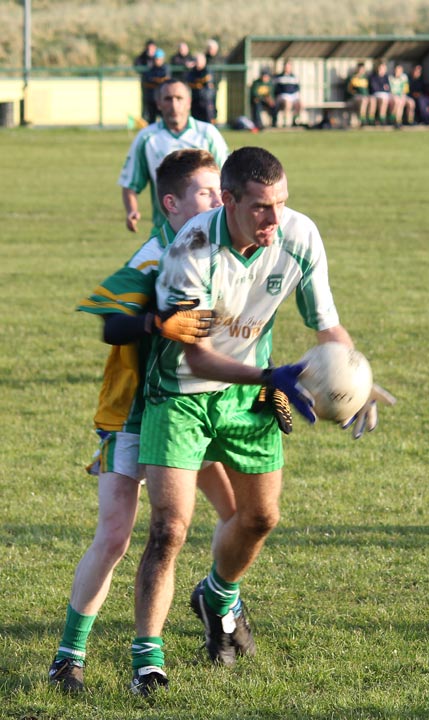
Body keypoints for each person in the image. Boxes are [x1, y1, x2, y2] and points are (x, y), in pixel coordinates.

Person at [130, 146, 396, 696]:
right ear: (228, 201)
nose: (275, 219)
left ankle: (218, 596)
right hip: (180, 393)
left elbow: (328, 327)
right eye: (260, 208)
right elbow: (196, 358)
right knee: (168, 528)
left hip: (249, 391)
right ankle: (148, 660)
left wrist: (357, 379)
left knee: (260, 519)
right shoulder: (191, 251)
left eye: (281, 203)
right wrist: (271, 379)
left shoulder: (299, 235)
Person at [48, 149, 237, 694]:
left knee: (240, 515)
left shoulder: (217, 250)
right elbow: (112, 326)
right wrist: (159, 321)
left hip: (191, 410)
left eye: (219, 191)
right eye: (205, 192)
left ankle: (222, 600)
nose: (216, 200)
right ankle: (69, 655)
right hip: (134, 416)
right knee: (114, 535)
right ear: (172, 203)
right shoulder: (155, 254)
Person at [118, 78, 229, 232]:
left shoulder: (208, 134)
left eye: (179, 98)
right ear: (158, 103)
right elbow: (130, 183)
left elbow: (228, 179)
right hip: (165, 232)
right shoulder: (147, 138)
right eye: (168, 99)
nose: (174, 105)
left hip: (209, 229)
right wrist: (131, 211)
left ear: (189, 102)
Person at [137, 48, 171, 124]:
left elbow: (164, 80)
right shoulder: (151, 69)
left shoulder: (165, 69)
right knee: (151, 120)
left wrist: (155, 80)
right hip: (152, 98)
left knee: (164, 120)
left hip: (162, 98)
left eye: (158, 59)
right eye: (156, 59)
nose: (157, 61)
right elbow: (147, 80)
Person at [185, 52, 216, 124]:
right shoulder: (192, 72)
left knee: (208, 122)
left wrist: (197, 84)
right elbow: (189, 82)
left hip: (206, 100)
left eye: (199, 61)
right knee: (196, 122)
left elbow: (207, 82)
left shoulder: (208, 71)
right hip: (195, 99)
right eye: (196, 61)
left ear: (204, 61)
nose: (197, 63)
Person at [272, 60, 302, 128]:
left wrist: (299, 98)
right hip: (282, 95)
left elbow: (297, 89)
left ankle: (295, 121)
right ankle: (285, 122)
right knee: (287, 103)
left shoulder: (294, 77)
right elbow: (275, 89)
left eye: (288, 66)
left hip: (293, 96)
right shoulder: (278, 77)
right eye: (286, 66)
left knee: (299, 104)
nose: (287, 68)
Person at [346, 62, 376, 126]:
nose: (361, 71)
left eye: (362, 69)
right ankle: (362, 120)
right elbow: (349, 90)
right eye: (360, 69)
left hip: (365, 96)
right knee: (364, 100)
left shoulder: (366, 78)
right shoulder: (352, 78)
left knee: (372, 99)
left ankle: (371, 119)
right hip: (356, 97)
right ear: (357, 69)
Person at [368, 59, 396, 125]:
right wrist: (383, 88)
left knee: (396, 101)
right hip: (376, 94)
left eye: (384, 68)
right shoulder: (373, 77)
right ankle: (382, 119)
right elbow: (374, 89)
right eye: (381, 68)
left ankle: (392, 119)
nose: (382, 70)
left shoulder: (386, 77)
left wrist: (384, 88)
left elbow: (388, 88)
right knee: (384, 100)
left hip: (385, 94)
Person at [389, 63, 415, 127]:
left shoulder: (404, 77)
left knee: (411, 103)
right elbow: (390, 90)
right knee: (399, 102)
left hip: (403, 96)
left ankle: (410, 121)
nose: (398, 72)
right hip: (393, 96)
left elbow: (405, 89)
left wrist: (403, 95)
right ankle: (398, 121)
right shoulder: (390, 78)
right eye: (397, 70)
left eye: (399, 70)